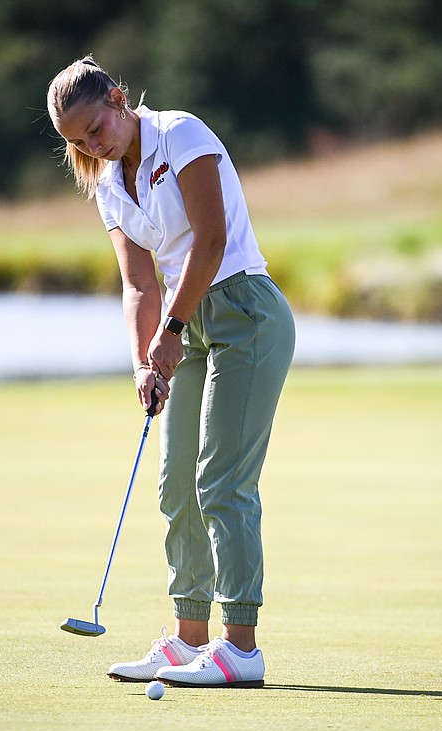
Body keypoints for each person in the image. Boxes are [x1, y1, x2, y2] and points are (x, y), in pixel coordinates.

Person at [46, 57, 295, 688]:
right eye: (77, 141)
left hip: (243, 312)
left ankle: (241, 649)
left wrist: (172, 332)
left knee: (222, 482)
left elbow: (210, 242)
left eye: (96, 128)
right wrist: (142, 361)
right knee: (175, 486)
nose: (92, 145)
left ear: (119, 99)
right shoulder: (107, 185)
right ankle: (189, 642)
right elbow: (136, 284)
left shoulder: (181, 134)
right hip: (188, 325)